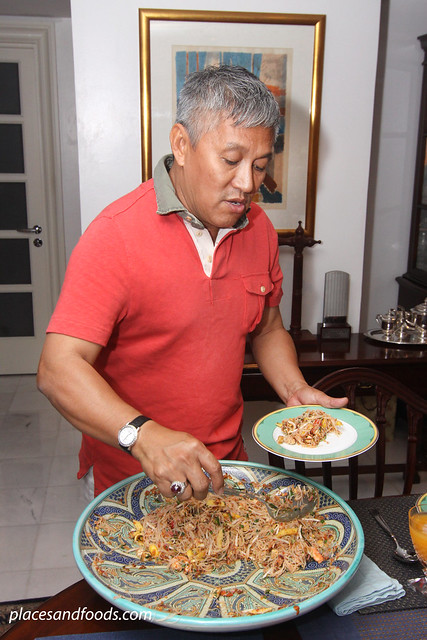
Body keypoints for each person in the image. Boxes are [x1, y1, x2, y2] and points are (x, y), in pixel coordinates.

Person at [37, 65, 346, 501]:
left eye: (259, 166)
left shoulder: (257, 228)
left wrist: (294, 388)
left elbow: (268, 327)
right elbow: (57, 369)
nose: (247, 185)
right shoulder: (115, 235)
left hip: (226, 465)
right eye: (231, 160)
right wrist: (143, 437)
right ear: (182, 145)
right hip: (132, 477)